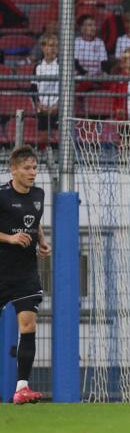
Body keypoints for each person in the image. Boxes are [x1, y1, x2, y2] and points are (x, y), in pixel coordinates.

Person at [0, 146, 51, 404]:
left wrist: (41, 240)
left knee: (28, 325)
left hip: (25, 274)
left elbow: (35, 221)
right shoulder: (2, 196)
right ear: (14, 170)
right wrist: (9, 238)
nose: (33, 173)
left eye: (35, 168)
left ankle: (22, 388)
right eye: (27, 168)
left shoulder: (39, 194)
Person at [32, 35, 59, 133]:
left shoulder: (62, 66)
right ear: (43, 48)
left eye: (56, 46)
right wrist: (39, 105)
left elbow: (66, 89)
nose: (53, 49)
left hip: (57, 110)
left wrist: (58, 105)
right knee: (42, 135)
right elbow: (33, 89)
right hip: (42, 110)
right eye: (51, 45)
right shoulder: (37, 67)